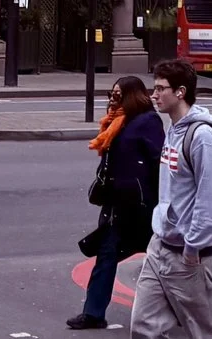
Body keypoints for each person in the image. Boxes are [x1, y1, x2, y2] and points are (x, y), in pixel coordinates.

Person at [133, 59, 212, 339]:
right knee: (143, 326)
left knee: (207, 332)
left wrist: (192, 248)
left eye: (160, 89)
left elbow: (210, 197)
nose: (154, 95)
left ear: (180, 92)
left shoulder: (202, 137)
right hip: (161, 247)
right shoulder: (173, 129)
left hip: (190, 254)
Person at [69, 75, 160, 331]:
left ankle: (179, 309)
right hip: (116, 203)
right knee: (106, 254)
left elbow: (158, 163)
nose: (112, 99)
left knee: (159, 259)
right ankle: (93, 313)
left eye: (118, 94)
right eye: (111, 93)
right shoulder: (116, 122)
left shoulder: (147, 121)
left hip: (140, 205)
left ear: (132, 95)